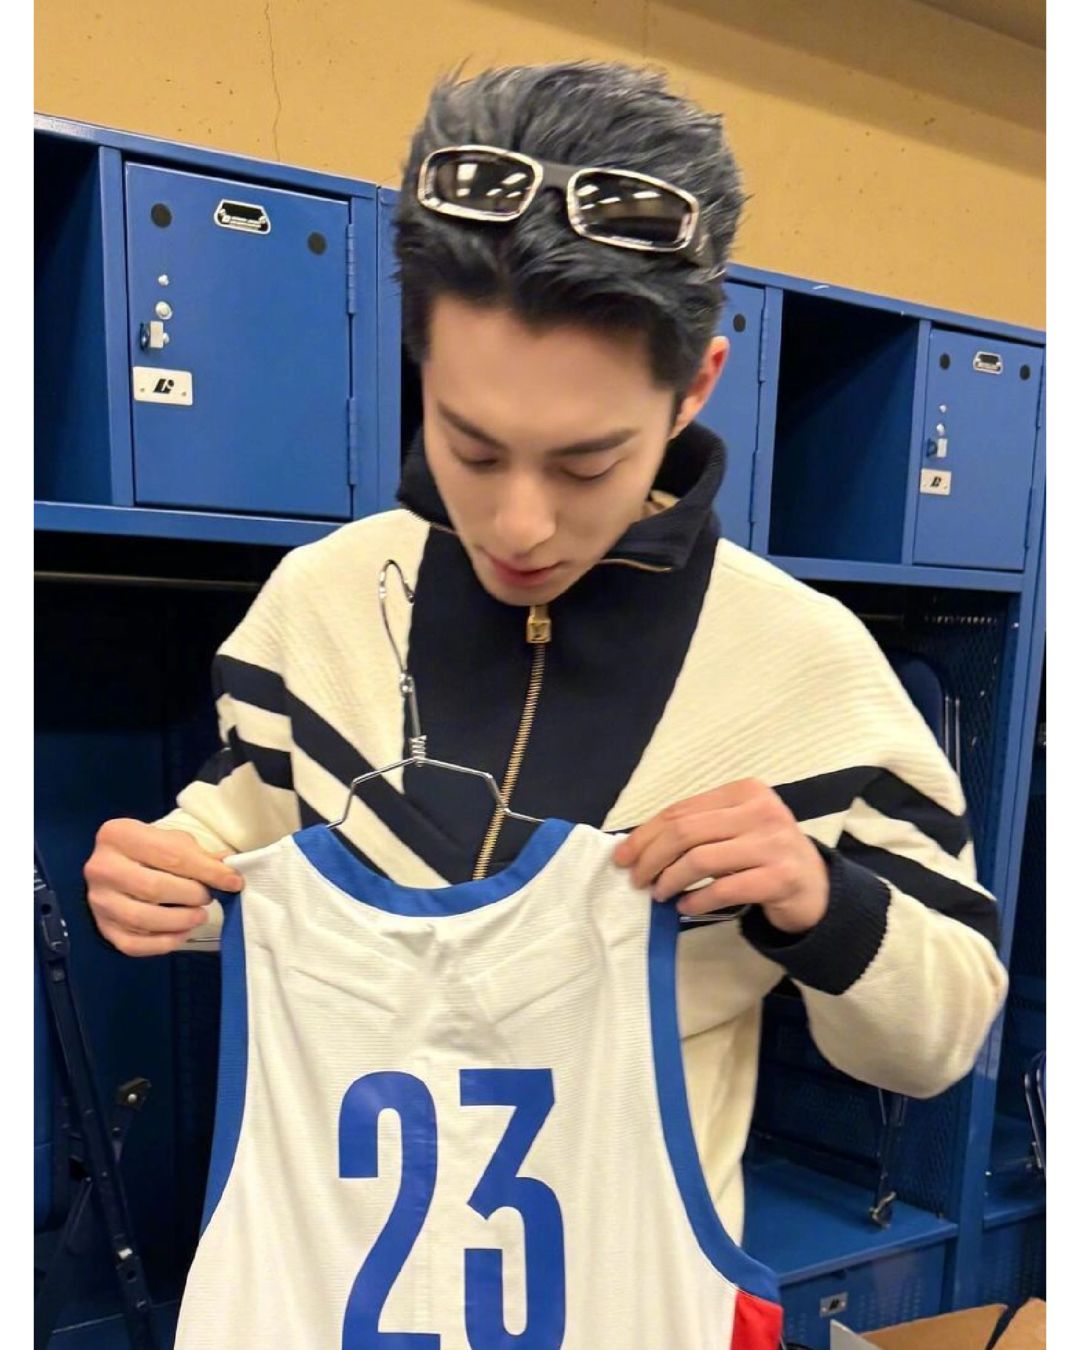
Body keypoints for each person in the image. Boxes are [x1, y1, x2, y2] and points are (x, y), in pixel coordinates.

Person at [82, 61, 1007, 1243]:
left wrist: (819, 901)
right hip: (327, 1273)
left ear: (695, 389)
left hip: (637, 1287)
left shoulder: (813, 674)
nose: (520, 526)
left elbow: (938, 1043)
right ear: (420, 363)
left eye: (586, 463)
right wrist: (166, 875)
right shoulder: (318, 604)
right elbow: (247, 827)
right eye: (470, 447)